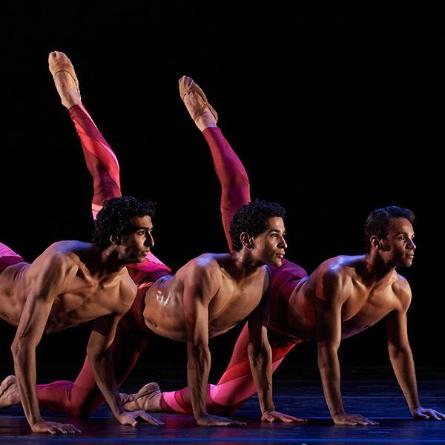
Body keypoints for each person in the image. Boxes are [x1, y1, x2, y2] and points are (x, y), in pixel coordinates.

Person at [0, 52, 301, 428]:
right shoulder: (204, 270)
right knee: (109, 184)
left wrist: (266, 405)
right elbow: (198, 348)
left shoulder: (257, 282)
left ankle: (12, 390)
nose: (283, 245)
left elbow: (255, 349)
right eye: (275, 237)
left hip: (133, 303)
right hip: (139, 284)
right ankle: (73, 102)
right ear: (245, 239)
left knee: (78, 406)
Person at [121, 76, 445, 425]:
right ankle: (207, 122)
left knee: (223, 401)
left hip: (284, 332)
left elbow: (399, 349)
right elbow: (327, 349)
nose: (412, 245)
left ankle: (150, 399)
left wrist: (415, 405)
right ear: (378, 241)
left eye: (411, 238)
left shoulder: (400, 292)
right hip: (275, 282)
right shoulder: (337, 276)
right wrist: (338, 414)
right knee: (238, 191)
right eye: (402, 238)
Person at [0, 195, 159, 434]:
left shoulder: (124, 292)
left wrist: (119, 411)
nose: (151, 242)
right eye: (141, 233)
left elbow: (99, 354)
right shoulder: (63, 262)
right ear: (116, 238)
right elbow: (22, 345)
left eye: (150, 232)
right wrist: (36, 421)